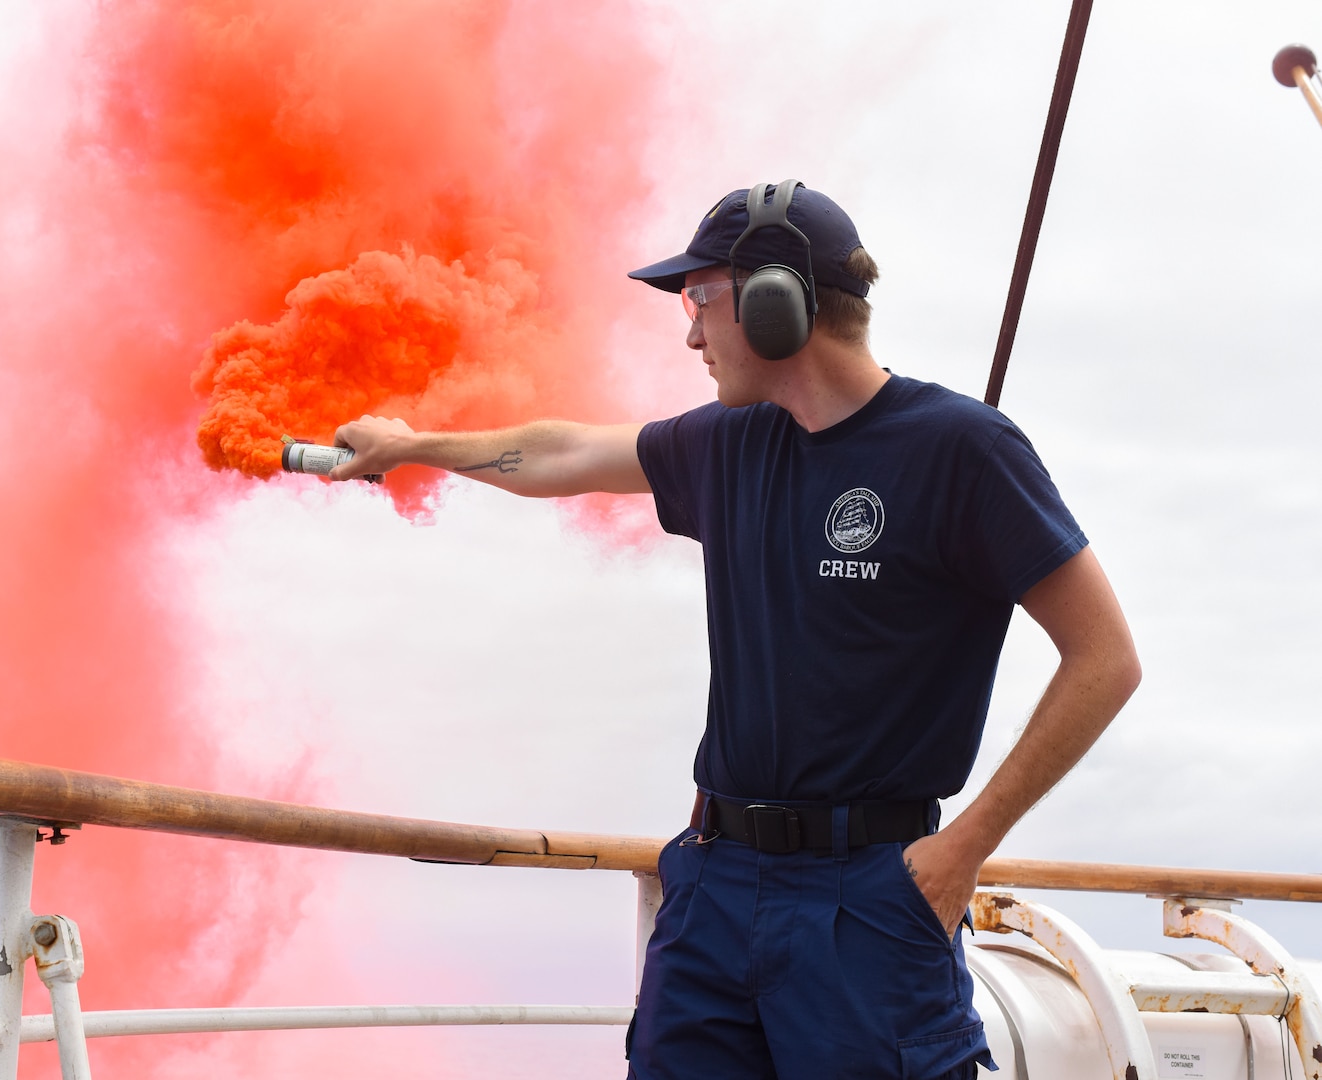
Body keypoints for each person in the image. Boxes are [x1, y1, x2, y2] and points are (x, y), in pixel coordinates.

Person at [330, 181, 1141, 1079]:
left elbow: (1106, 659)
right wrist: (412, 445)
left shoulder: (962, 449)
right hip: (716, 891)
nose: (689, 333)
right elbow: (565, 454)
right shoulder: (729, 443)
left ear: (774, 302)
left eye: (698, 299)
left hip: (870, 905)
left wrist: (963, 851)